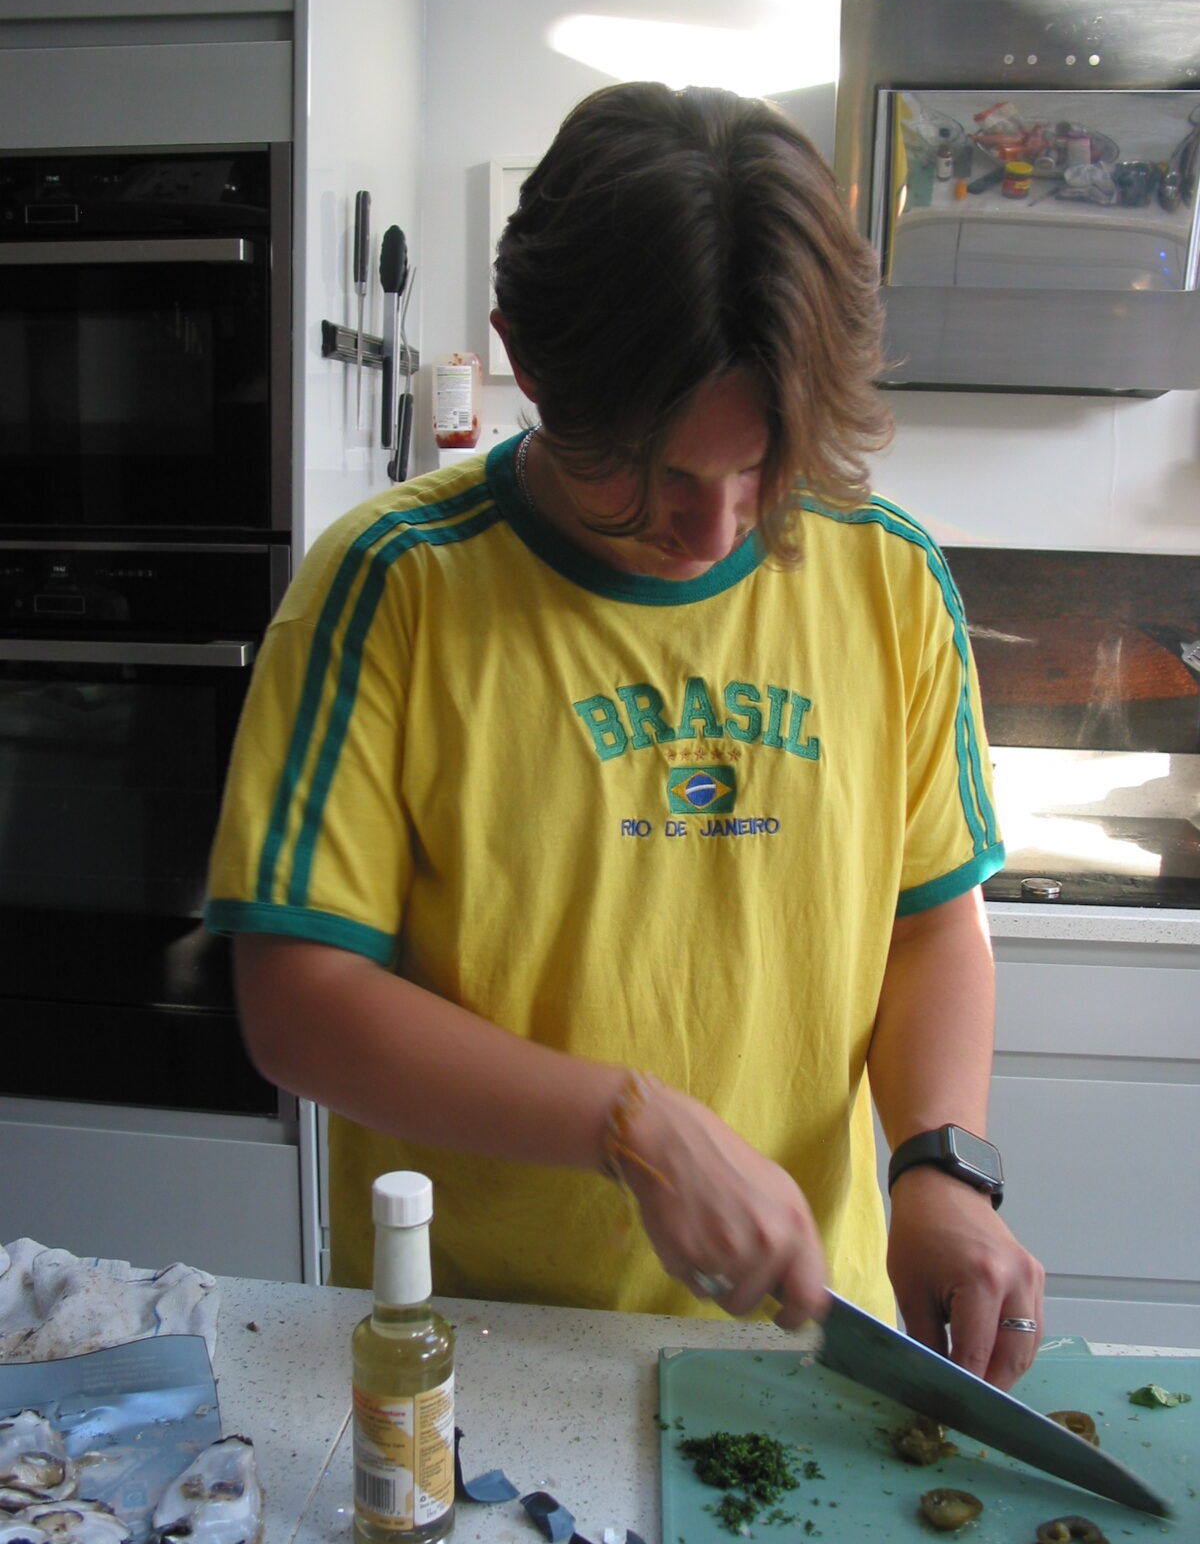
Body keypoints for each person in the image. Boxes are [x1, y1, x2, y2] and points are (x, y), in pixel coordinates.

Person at [205, 81, 1044, 1388]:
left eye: (760, 470)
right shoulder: (394, 587)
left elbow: (932, 919)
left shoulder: (887, 578)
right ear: (523, 368)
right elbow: (297, 1005)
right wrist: (626, 1122)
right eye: (645, 473)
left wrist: (941, 1163)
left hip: (813, 1357)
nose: (710, 531)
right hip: (482, 1357)